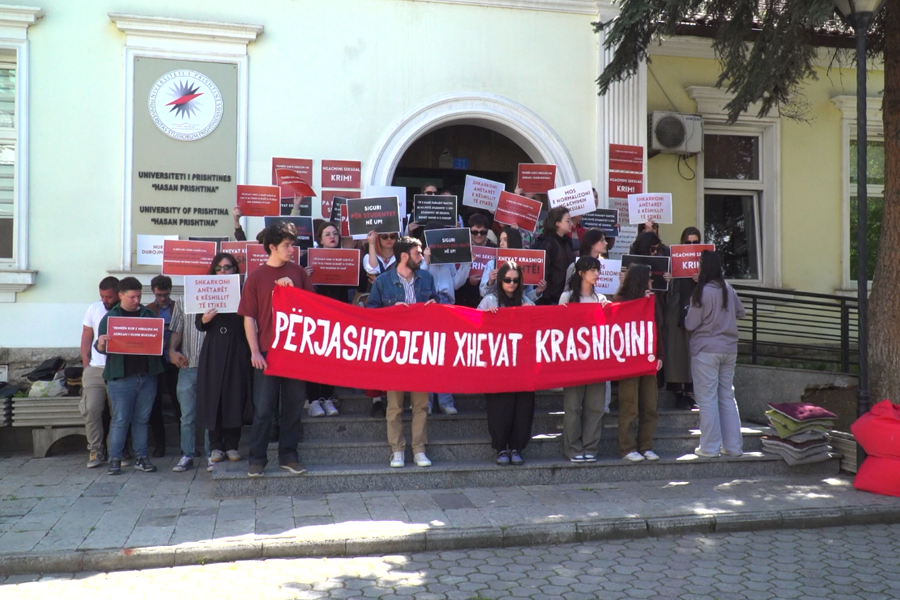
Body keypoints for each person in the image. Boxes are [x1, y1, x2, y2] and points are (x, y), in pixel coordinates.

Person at [239, 222, 314, 478]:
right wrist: (255, 352)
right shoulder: (256, 277)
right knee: (263, 408)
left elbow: (311, 310)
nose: (292, 250)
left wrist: (291, 293)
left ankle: (289, 456)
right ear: (272, 247)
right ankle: (257, 459)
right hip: (268, 353)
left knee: (293, 407)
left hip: (295, 352)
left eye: (292, 245)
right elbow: (249, 317)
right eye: (287, 245)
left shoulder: (299, 273)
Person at [367, 236, 437, 468]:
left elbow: (438, 304)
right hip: (394, 350)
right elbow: (371, 315)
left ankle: (419, 449)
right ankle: (397, 449)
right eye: (418, 253)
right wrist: (391, 312)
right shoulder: (383, 281)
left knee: (421, 403)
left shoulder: (426, 277)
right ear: (404, 256)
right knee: (394, 404)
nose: (421, 256)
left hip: (421, 349)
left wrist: (435, 306)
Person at [95, 277, 165, 475]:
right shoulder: (111, 318)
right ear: (121, 296)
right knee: (120, 419)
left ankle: (141, 457)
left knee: (142, 419)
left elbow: (159, 343)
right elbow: (101, 348)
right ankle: (115, 459)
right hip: (121, 377)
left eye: (139, 296)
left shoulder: (148, 314)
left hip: (147, 375)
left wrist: (161, 341)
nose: (136, 300)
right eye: (132, 297)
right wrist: (101, 343)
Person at [685, 251, 746, 458]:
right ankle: (733, 447)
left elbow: (690, 323)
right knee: (727, 396)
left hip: (706, 349)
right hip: (729, 348)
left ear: (704, 267)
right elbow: (740, 312)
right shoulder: (727, 288)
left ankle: (710, 448)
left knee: (707, 399)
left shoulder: (702, 292)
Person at [196, 253, 253, 470]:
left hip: (237, 346)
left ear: (234, 270)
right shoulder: (207, 288)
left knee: (234, 394)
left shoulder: (243, 290)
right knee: (214, 396)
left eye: (227, 268)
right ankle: (216, 446)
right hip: (214, 348)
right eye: (219, 268)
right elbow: (198, 324)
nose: (223, 272)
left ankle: (232, 445)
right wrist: (204, 319)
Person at [477, 261, 536, 466]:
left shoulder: (527, 302)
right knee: (500, 408)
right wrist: (486, 318)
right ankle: (501, 447)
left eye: (515, 280)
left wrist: (532, 314)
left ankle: (517, 448)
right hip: (497, 367)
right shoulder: (489, 301)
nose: (511, 284)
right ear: (500, 280)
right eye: (507, 280)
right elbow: (473, 327)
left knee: (523, 408)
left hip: (523, 366)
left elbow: (539, 331)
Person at [559, 256, 609, 463]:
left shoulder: (601, 299)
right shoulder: (566, 297)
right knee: (573, 408)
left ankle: (591, 448)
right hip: (573, 363)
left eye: (598, 270)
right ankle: (572, 449)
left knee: (595, 408)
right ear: (580, 273)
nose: (597, 274)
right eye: (592, 270)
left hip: (597, 362)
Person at [612, 264, 664, 463]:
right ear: (640, 280)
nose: (652, 282)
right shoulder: (620, 301)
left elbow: (659, 329)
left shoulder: (652, 300)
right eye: (649, 278)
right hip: (628, 362)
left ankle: (646, 446)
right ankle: (627, 448)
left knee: (650, 406)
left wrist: (660, 356)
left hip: (649, 360)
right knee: (629, 406)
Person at [302, 221, 348, 417]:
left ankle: (328, 399)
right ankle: (313, 400)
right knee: (313, 360)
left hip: (337, 316)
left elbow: (360, 282)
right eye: (327, 234)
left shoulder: (348, 258)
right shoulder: (307, 259)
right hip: (314, 316)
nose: (332, 237)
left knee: (332, 360)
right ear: (319, 239)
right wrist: (303, 276)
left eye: (335, 233)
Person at [79, 276, 119, 468]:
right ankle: (95, 450)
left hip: (116, 369)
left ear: (119, 294)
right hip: (95, 369)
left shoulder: (127, 310)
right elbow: (87, 336)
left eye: (109, 297)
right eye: (102, 296)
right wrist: (86, 364)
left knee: (117, 413)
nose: (105, 300)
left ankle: (116, 451)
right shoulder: (94, 309)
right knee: (91, 410)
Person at [168, 288, 208, 473]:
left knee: (211, 414)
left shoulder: (224, 298)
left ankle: (212, 455)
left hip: (213, 366)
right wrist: (172, 351)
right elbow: (177, 329)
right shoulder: (182, 301)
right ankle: (187, 454)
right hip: (188, 364)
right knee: (187, 415)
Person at [146, 274, 182, 457]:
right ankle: (160, 444)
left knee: (180, 403)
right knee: (155, 403)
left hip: (176, 361)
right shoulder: (148, 310)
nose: (162, 298)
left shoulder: (178, 307)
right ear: (153, 292)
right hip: (157, 362)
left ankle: (186, 444)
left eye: (165, 294)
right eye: (159, 294)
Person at [667, 227, 703, 410]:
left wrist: (701, 279)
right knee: (677, 354)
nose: (691, 246)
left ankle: (690, 392)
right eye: (688, 242)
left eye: (695, 243)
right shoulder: (675, 260)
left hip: (696, 314)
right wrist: (669, 279)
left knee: (692, 354)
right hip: (676, 313)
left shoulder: (704, 264)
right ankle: (678, 393)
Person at [479, 226, 547, 303]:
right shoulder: (492, 264)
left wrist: (538, 291)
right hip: (497, 308)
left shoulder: (525, 263)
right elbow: (483, 294)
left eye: (505, 240)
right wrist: (490, 282)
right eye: (500, 240)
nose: (501, 243)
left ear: (514, 241)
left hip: (518, 309)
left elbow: (526, 297)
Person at [533, 207, 575, 306]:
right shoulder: (547, 243)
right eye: (568, 221)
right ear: (557, 223)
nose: (571, 224)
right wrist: (546, 299)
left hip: (566, 296)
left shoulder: (567, 242)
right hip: (550, 300)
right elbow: (543, 272)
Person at [454, 214, 497, 309]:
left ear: (487, 232)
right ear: (469, 232)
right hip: (463, 298)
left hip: (487, 299)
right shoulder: (461, 248)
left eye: (482, 232)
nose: (478, 235)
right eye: (475, 232)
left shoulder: (495, 250)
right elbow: (454, 275)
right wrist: (468, 281)